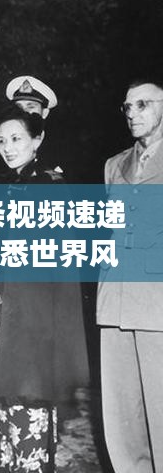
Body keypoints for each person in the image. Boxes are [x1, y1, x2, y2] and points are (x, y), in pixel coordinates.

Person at [0, 104, 89, 472]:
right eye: (2, 140)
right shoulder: (9, 184)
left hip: (36, 312)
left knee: (30, 393)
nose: (7, 147)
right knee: (7, 395)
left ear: (37, 140)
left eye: (16, 138)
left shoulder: (50, 186)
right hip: (7, 306)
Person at [97, 79, 163, 473]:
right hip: (116, 301)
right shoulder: (114, 165)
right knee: (121, 416)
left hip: (157, 303)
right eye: (127, 106)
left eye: (143, 104)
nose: (132, 113)